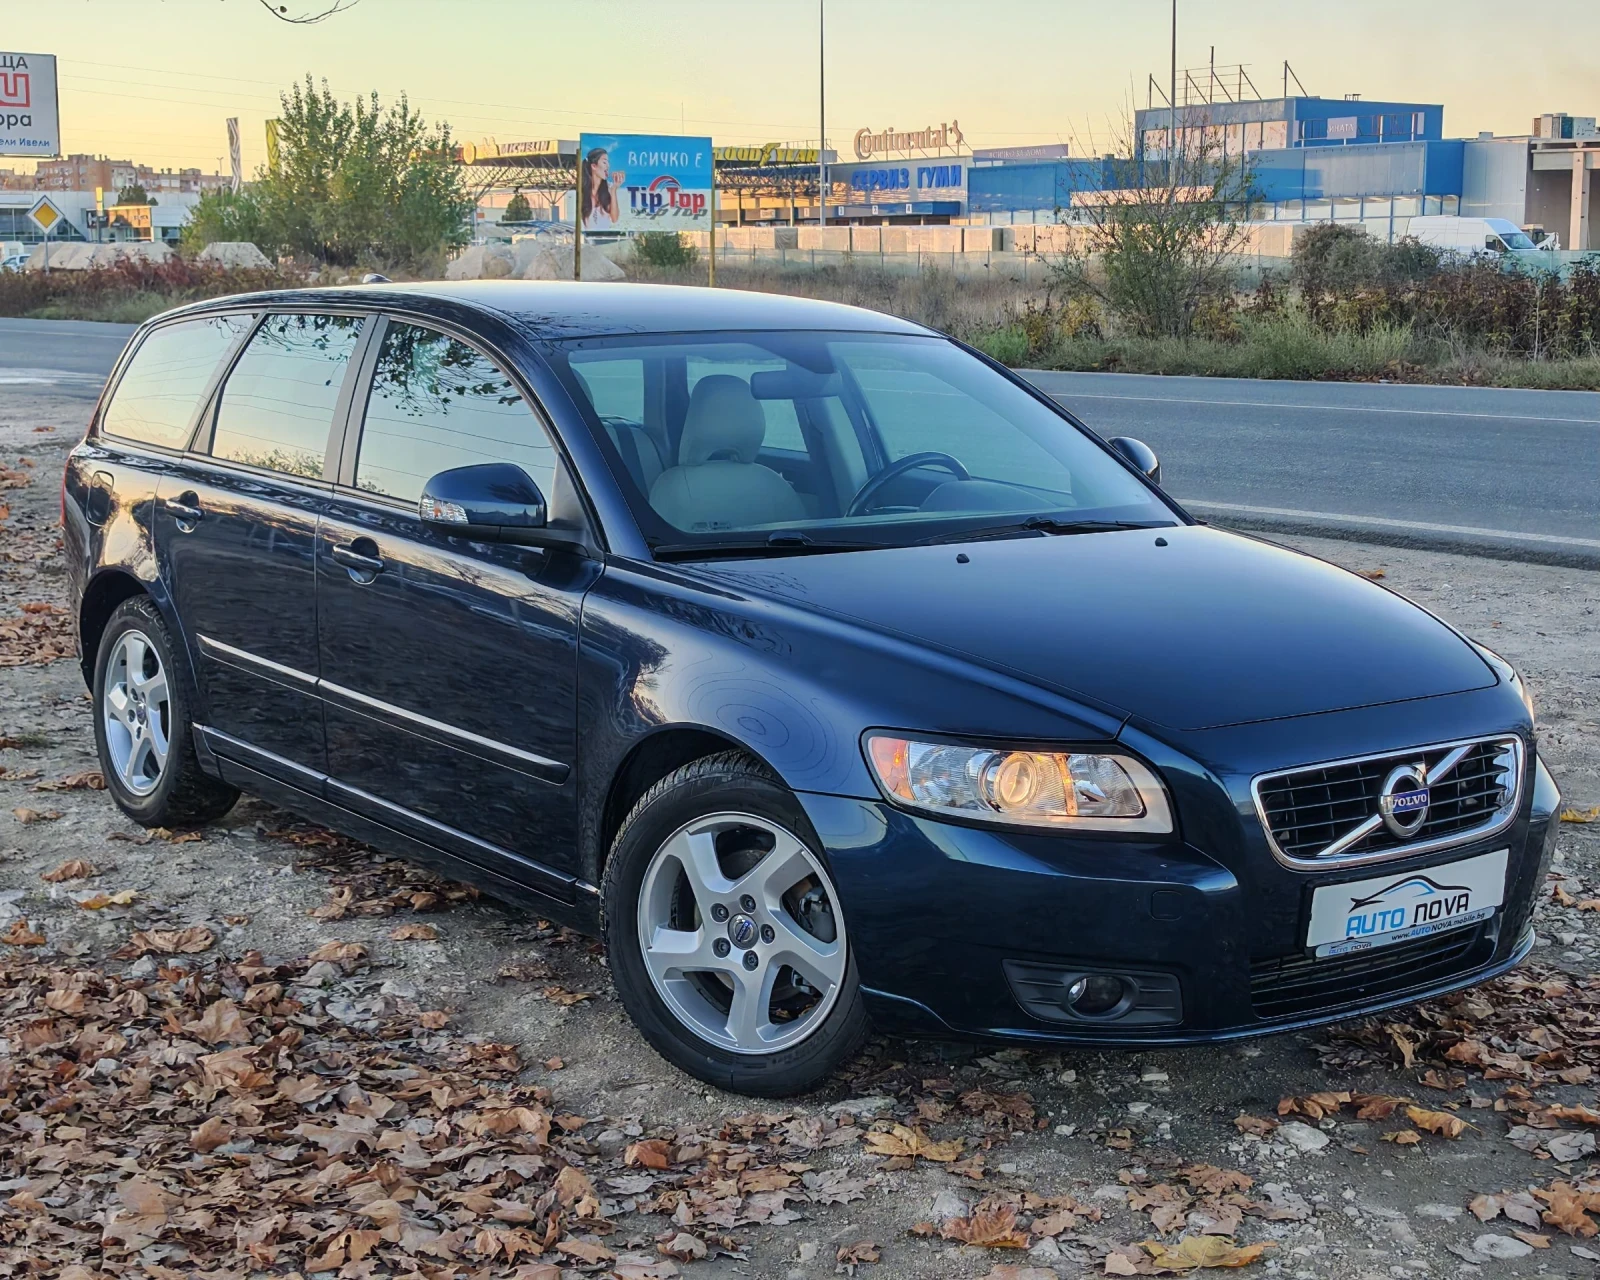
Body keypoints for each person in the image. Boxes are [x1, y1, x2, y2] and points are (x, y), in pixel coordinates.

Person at [582, 147, 624, 230]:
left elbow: (614, 218)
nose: (608, 166)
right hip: (585, 239)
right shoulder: (582, 191)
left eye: (608, 162)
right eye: (604, 162)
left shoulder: (608, 189)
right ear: (594, 166)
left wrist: (614, 189)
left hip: (605, 239)